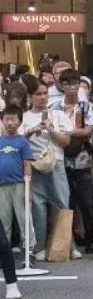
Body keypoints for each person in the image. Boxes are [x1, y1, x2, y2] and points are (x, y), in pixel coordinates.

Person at [21, 79, 79, 261]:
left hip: (56, 163)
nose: (43, 97)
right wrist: (31, 131)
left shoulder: (58, 115)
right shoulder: (24, 117)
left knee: (63, 203)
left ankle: (70, 245)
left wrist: (50, 130)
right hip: (34, 165)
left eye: (45, 93)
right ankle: (40, 246)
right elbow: (19, 142)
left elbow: (66, 142)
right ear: (30, 97)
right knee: (37, 207)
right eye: (38, 94)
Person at [55, 69, 93, 252]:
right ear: (62, 86)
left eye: (74, 83)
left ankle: (90, 239)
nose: (71, 87)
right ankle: (68, 241)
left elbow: (88, 131)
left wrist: (67, 132)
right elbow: (54, 134)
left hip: (83, 159)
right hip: (61, 158)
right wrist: (72, 133)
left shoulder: (87, 106)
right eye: (67, 84)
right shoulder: (55, 108)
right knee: (66, 202)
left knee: (87, 203)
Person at [0, 105, 34, 256]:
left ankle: (29, 250)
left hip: (19, 184)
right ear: (2, 121)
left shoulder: (23, 142)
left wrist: (28, 187)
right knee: (4, 221)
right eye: (6, 119)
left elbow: (27, 165)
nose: (9, 123)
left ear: (19, 122)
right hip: (2, 186)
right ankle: (4, 253)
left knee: (24, 219)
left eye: (13, 119)